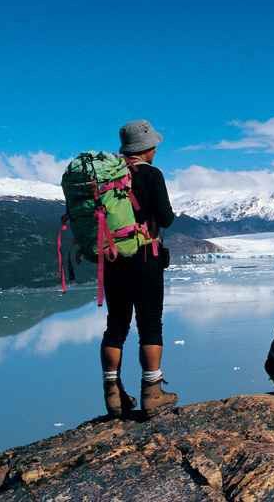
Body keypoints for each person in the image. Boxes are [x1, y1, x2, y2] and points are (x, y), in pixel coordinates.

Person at [101, 119, 178, 418]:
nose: (156, 149)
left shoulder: (108, 178)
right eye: (153, 145)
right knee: (150, 324)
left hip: (112, 260)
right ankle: (152, 392)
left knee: (116, 325)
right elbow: (166, 218)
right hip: (145, 258)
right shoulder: (150, 175)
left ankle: (113, 394)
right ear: (145, 147)